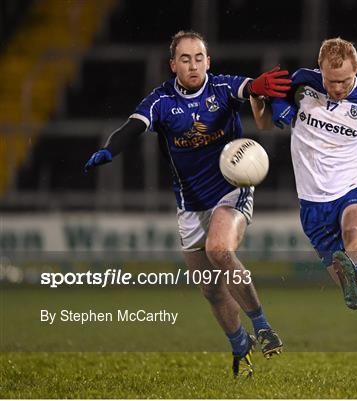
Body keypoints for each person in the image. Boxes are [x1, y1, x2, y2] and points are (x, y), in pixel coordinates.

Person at [84, 30, 292, 377]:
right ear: (173, 65)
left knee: (220, 250)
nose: (193, 65)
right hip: (190, 205)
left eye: (199, 58)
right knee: (210, 289)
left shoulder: (222, 88)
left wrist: (261, 87)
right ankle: (240, 345)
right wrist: (111, 148)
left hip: (232, 190)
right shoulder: (161, 100)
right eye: (185, 59)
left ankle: (263, 326)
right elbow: (133, 127)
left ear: (208, 61)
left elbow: (251, 87)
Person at [250, 37, 357, 380]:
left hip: (354, 188)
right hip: (313, 207)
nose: (338, 88)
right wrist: (260, 97)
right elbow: (261, 122)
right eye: (331, 81)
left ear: (356, 70)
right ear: (321, 72)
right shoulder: (301, 83)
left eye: (345, 81)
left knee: (355, 232)